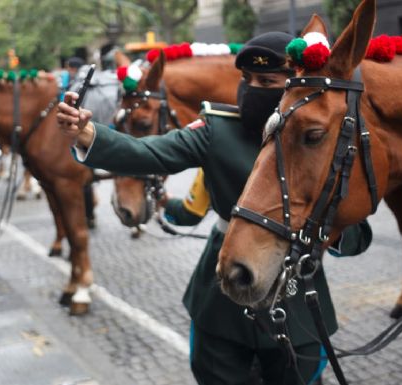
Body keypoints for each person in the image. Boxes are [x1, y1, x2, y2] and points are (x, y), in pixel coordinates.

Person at [58, 32, 373, 384]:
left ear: (294, 85)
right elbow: (149, 153)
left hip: (296, 297)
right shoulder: (217, 129)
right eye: (247, 80)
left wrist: (323, 234)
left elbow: (355, 235)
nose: (252, 89)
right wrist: (87, 134)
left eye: (267, 81)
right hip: (221, 303)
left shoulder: (324, 139)